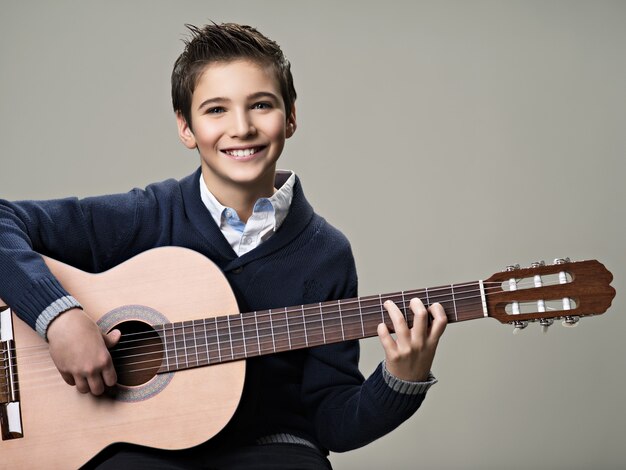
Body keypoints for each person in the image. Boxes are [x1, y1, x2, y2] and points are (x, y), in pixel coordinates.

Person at [0, 23, 447, 469]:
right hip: (135, 448)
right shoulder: (150, 214)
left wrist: (399, 381)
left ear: (290, 116)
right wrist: (58, 317)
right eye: (216, 109)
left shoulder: (325, 253)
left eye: (261, 105)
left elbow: (331, 420)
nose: (242, 127)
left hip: (270, 448)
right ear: (186, 127)